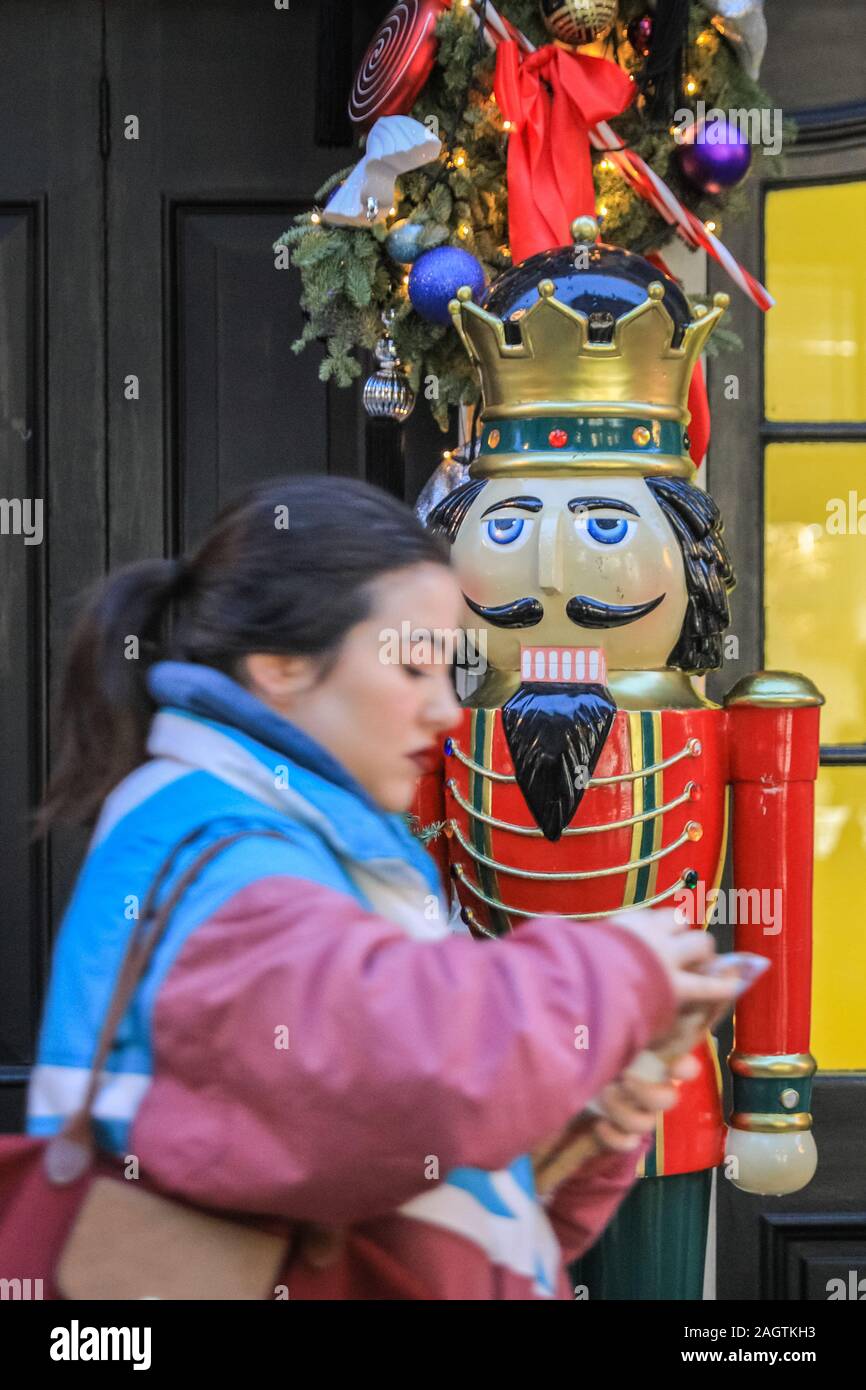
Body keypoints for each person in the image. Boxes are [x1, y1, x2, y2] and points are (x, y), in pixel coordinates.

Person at [27, 476, 735, 1300]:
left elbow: (389, 1168)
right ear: (283, 664)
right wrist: (617, 972)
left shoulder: (303, 837)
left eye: (451, 669)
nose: (445, 711)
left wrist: (572, 1127)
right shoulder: (221, 843)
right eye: (413, 666)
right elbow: (398, 1063)